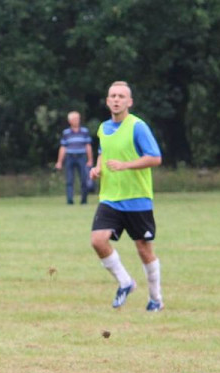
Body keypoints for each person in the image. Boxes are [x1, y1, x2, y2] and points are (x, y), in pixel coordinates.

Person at [88, 81, 164, 311]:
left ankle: (155, 299)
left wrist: (126, 165)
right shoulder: (103, 128)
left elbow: (155, 157)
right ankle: (126, 282)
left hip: (138, 198)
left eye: (121, 96)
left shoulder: (138, 127)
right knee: (98, 240)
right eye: (113, 95)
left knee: (143, 249)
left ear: (129, 102)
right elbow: (103, 151)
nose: (116, 99)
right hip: (110, 198)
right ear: (107, 100)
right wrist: (97, 168)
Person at [55, 111, 93, 205]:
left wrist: (90, 159)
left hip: (81, 157)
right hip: (70, 157)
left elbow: (88, 146)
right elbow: (63, 147)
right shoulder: (66, 133)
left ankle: (84, 200)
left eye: (78, 118)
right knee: (69, 180)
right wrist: (59, 162)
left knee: (84, 179)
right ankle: (70, 200)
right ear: (70, 121)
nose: (77, 120)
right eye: (75, 119)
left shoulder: (84, 131)